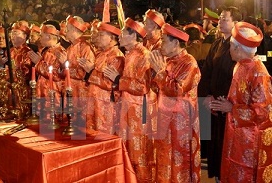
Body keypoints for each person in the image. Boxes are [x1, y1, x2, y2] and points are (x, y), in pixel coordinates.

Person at [210, 22, 272, 182]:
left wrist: (232, 108)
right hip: (236, 133)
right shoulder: (239, 66)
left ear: (238, 48)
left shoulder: (259, 73)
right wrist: (227, 104)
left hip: (250, 140)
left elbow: (262, 113)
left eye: (230, 45)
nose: (228, 49)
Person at [103, 18, 156, 182]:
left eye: (123, 33)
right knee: (129, 147)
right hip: (128, 108)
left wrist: (119, 80)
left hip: (141, 110)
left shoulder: (143, 55)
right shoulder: (130, 54)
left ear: (134, 36)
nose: (119, 36)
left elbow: (143, 87)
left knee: (139, 149)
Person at [149, 23, 201, 182]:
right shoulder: (168, 60)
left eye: (164, 41)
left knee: (180, 161)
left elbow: (176, 91)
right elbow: (156, 88)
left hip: (181, 122)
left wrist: (160, 73)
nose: (161, 45)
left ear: (176, 43)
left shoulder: (189, 63)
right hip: (164, 118)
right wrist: (154, 71)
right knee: (164, 157)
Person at [198, 6, 242, 182]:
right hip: (213, 104)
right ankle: (217, 177)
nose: (220, 21)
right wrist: (207, 96)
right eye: (221, 18)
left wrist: (228, 102)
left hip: (227, 105)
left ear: (235, 23)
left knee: (227, 146)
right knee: (214, 146)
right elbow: (206, 71)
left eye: (225, 19)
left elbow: (238, 77)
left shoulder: (239, 47)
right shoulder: (216, 43)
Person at [79, 22, 124, 135]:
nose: (98, 38)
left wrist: (91, 71)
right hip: (94, 100)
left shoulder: (116, 56)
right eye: (98, 35)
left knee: (103, 134)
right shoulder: (100, 54)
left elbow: (109, 83)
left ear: (112, 38)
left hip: (106, 104)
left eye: (101, 35)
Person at [35, 21, 66, 116]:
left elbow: (55, 75)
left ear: (48, 36)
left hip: (53, 93)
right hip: (42, 90)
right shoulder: (46, 50)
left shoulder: (59, 52)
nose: (39, 39)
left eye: (41, 36)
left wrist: (38, 62)